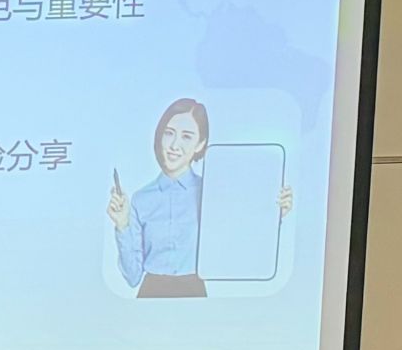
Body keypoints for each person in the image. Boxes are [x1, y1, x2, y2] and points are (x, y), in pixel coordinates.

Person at [108, 97, 292, 298]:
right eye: (169, 133)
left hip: (194, 293)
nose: (175, 145)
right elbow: (132, 277)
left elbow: (239, 243)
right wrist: (122, 225)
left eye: (187, 137)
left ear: (200, 144)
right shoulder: (141, 199)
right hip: (151, 295)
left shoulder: (213, 193)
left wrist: (274, 215)